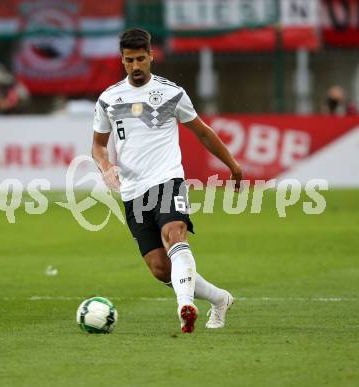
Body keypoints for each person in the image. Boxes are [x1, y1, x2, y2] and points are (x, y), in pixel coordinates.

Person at [91, 28, 242, 333]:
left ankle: (184, 306)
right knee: (161, 269)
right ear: (122, 59)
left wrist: (233, 166)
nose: (136, 66)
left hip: (167, 179)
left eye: (141, 59)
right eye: (129, 60)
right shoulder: (108, 99)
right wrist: (105, 165)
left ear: (151, 56)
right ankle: (219, 299)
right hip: (132, 191)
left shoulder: (172, 93)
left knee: (176, 234)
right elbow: (97, 145)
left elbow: (202, 132)